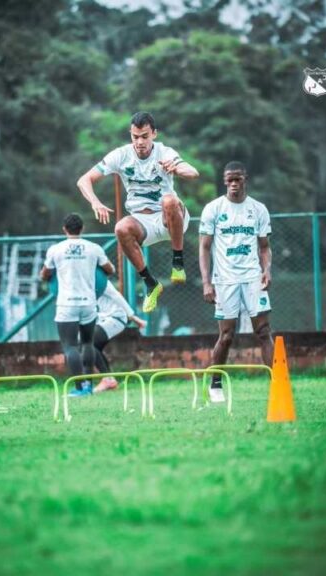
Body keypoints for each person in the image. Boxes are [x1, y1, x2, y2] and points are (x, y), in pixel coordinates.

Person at [76, 111, 200, 313]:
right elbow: (84, 180)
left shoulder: (164, 152)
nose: (140, 142)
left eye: (144, 136)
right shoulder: (121, 155)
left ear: (154, 134)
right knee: (121, 227)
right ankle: (151, 284)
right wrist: (95, 202)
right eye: (135, 137)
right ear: (130, 135)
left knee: (169, 200)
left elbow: (193, 172)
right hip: (143, 224)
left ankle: (178, 262)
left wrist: (177, 168)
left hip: (169, 219)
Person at [199, 161, 273, 403]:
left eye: (237, 179)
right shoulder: (213, 209)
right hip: (225, 280)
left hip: (253, 278)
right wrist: (206, 283)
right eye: (229, 179)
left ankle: (276, 382)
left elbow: (264, 247)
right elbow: (204, 247)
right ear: (224, 181)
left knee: (263, 331)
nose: (233, 184)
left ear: (245, 179)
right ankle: (216, 384)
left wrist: (267, 270)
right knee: (227, 335)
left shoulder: (258, 209)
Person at [40, 213, 116, 397]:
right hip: (89, 302)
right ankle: (88, 386)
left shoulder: (55, 250)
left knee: (70, 347)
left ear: (64, 229)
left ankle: (80, 388)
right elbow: (111, 270)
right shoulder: (94, 248)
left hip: (66, 304)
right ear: (82, 229)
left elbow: (45, 275)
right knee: (88, 343)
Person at [91, 282, 147, 392]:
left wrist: (133, 317)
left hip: (115, 317)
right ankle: (109, 380)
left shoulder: (99, 278)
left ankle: (107, 379)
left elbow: (116, 296)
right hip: (102, 319)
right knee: (93, 347)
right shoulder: (83, 279)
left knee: (88, 343)